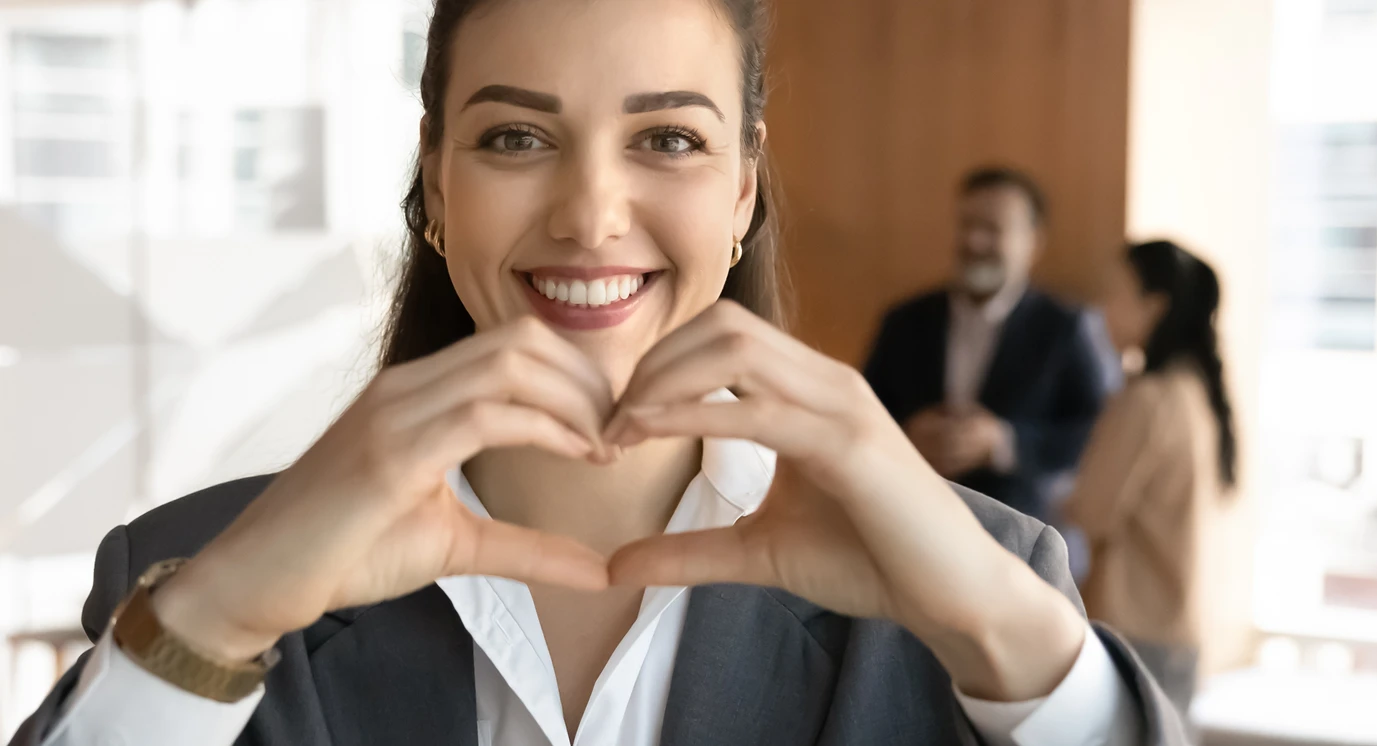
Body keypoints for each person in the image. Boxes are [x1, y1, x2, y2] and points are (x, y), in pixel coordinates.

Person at [7, 2, 1186, 744]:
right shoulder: (187, 577)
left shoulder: (982, 591)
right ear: (435, 183)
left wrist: (999, 634)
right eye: (514, 137)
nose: (589, 213)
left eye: (667, 138)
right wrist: (215, 616)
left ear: (740, 192)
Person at [863, 168, 1109, 524]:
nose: (974, 241)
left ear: (1033, 242)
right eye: (966, 224)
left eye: (993, 229)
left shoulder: (1064, 327)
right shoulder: (904, 320)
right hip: (911, 519)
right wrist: (904, 435)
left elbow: (1094, 431)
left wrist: (1002, 442)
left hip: (1017, 533)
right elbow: (866, 407)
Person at [1064, 240, 1237, 717]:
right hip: (1179, 626)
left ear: (1154, 306)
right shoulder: (1195, 392)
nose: (1101, 310)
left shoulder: (1147, 399)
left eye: (1114, 294)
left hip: (1132, 627)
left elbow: (1091, 511)